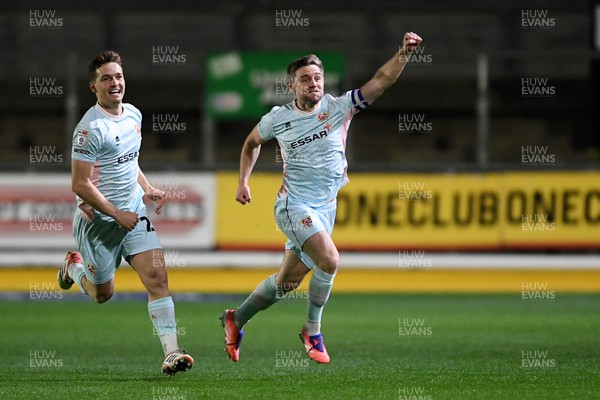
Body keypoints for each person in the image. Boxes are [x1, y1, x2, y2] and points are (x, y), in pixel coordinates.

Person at [221, 32, 423, 363]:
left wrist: (404, 52)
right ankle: (312, 331)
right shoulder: (278, 118)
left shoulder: (339, 107)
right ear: (292, 86)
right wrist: (243, 181)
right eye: (305, 79)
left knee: (286, 283)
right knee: (330, 259)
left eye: (317, 77)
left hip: (325, 209)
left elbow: (381, 81)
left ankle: (235, 319)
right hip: (293, 206)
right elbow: (251, 143)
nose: (313, 83)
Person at [57, 50, 194, 375]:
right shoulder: (89, 129)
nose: (114, 82)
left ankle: (172, 352)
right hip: (100, 224)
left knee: (157, 278)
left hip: (134, 214)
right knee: (103, 294)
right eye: (106, 78)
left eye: (118, 76)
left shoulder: (133, 114)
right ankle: (73, 267)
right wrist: (116, 214)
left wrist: (146, 188)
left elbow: (129, 162)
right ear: (94, 87)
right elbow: (80, 184)